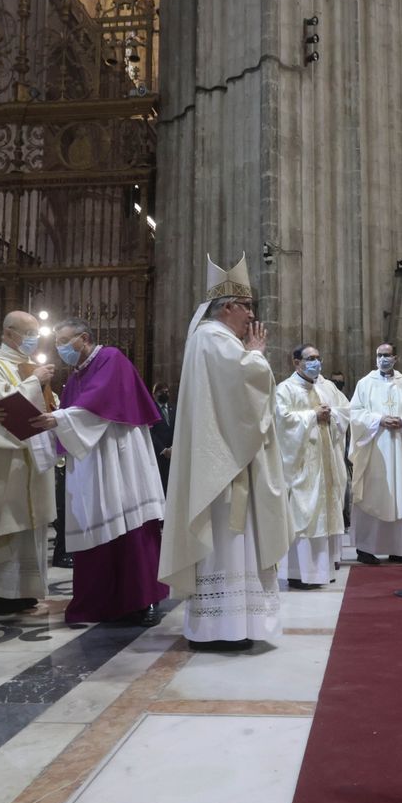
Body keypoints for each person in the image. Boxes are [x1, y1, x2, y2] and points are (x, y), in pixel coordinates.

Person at [160, 256, 291, 650]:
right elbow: (243, 388)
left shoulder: (210, 339)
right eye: (247, 306)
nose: (251, 315)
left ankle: (233, 624)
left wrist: (248, 353)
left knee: (235, 545)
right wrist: (256, 354)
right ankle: (225, 627)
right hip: (222, 471)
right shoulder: (214, 339)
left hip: (226, 461)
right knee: (228, 544)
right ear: (228, 307)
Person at [28, 318, 167, 626]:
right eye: (59, 344)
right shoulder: (77, 374)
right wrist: (54, 423)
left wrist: (59, 420)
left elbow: (98, 403)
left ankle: (140, 601)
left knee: (129, 525)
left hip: (119, 459)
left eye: (66, 342)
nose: (62, 349)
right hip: (92, 462)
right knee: (94, 530)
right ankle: (102, 602)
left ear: (85, 338)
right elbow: (70, 415)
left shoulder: (110, 358)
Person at [0, 311, 58, 615]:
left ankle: (24, 592)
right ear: (8, 333)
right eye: (28, 333)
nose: (34, 339)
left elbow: (37, 402)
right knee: (6, 526)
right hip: (3, 461)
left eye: (36, 333)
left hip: (28, 459)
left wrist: (50, 400)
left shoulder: (26, 363)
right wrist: (35, 381)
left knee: (28, 529)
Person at [275, 344, 351, 588]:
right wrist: (312, 415)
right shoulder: (285, 389)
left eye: (318, 358)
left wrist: (332, 415)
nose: (316, 363)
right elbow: (281, 420)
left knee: (325, 515)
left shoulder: (327, 387)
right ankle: (300, 574)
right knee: (304, 516)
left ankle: (323, 571)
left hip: (326, 462)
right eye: (310, 359)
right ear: (296, 362)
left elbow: (346, 410)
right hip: (302, 467)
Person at [348, 343, 402, 563]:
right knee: (372, 494)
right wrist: (379, 420)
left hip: (399, 449)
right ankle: (366, 549)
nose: (383, 359)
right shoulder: (365, 384)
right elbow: (354, 414)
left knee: (400, 495)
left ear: (395, 357)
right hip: (374, 450)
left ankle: (399, 549)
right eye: (379, 355)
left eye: (387, 355)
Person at [150, 382, 176, 490]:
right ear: (154, 394)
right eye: (161, 392)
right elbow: (150, 432)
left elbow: (177, 428)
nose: (165, 394)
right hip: (158, 453)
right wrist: (163, 449)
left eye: (167, 392)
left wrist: (174, 447)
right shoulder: (150, 409)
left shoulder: (174, 408)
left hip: (173, 452)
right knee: (160, 484)